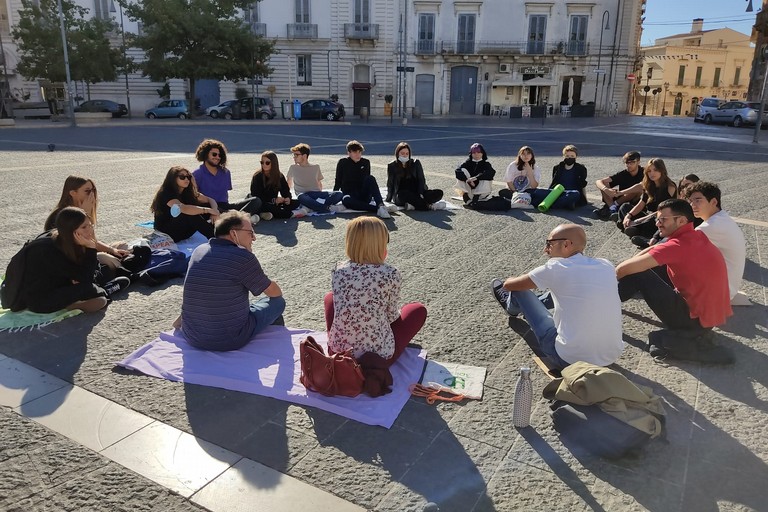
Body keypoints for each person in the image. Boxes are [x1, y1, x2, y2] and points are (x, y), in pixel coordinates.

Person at [491, 224, 623, 370]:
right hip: (608, 358)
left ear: (566, 244)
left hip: (567, 360)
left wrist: (511, 279)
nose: (545, 249)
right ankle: (532, 304)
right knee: (566, 290)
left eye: (549, 244)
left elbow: (509, 285)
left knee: (519, 291)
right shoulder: (606, 265)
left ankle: (512, 308)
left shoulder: (555, 268)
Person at [616, 199, 732, 341]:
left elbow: (622, 269)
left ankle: (601, 303)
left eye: (663, 219)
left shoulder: (676, 246)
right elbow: (654, 249)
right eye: (657, 219)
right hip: (707, 319)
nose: (658, 223)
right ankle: (611, 298)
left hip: (691, 322)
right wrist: (633, 262)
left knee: (639, 273)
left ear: (681, 221)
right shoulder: (696, 235)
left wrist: (614, 275)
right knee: (647, 265)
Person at [177, 211, 285, 351]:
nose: (254, 238)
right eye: (250, 233)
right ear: (234, 233)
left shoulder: (199, 251)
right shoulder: (242, 257)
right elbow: (274, 293)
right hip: (229, 340)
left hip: (192, 336)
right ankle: (277, 348)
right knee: (278, 303)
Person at [325, 217, 426, 366]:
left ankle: (341, 337)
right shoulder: (391, 273)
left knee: (330, 298)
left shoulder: (338, 269)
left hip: (338, 353)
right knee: (417, 310)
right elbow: (391, 316)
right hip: (376, 359)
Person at [20, 207, 129, 314]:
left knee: (105, 272)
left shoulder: (71, 241)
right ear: (71, 230)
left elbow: (88, 272)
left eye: (90, 225)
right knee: (91, 291)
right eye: (84, 227)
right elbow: (86, 280)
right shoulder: (50, 250)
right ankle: (106, 291)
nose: (90, 230)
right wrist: (91, 248)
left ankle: (95, 293)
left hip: (64, 285)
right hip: (41, 299)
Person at [45, 175, 131, 270]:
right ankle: (125, 269)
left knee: (122, 246)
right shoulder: (62, 216)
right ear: (73, 193)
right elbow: (86, 244)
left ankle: (124, 263)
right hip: (73, 259)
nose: (92, 194)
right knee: (105, 258)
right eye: (87, 191)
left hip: (87, 250)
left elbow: (93, 241)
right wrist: (84, 213)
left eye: (93, 190)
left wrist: (112, 250)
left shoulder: (82, 209)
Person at [685, 181, 748, 306]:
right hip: (728, 287)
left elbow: (672, 248)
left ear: (714, 202)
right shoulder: (722, 218)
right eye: (691, 201)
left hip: (720, 292)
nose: (692, 205)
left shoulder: (711, 226)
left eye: (698, 200)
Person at [191, 139, 261, 221]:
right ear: (205, 154)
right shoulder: (197, 174)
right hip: (209, 207)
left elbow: (225, 196)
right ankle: (241, 220)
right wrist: (213, 210)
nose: (217, 157)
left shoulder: (226, 172)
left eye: (219, 155)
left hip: (225, 207)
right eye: (214, 154)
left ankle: (235, 220)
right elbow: (194, 197)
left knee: (256, 201)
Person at [150, 166, 218, 242]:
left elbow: (210, 199)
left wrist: (214, 212)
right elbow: (183, 208)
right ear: (173, 179)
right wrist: (207, 210)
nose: (186, 179)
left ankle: (223, 232)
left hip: (184, 231)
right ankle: (214, 237)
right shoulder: (166, 193)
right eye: (182, 177)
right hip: (167, 233)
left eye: (188, 177)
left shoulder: (187, 192)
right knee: (189, 214)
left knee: (208, 207)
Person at [634, 173, 701, 249]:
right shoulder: (681, 203)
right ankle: (651, 241)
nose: (684, 189)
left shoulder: (700, 204)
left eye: (687, 185)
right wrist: (655, 236)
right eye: (682, 187)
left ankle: (650, 242)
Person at [617, 158, 677, 240]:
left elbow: (663, 211)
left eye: (655, 170)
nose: (652, 173)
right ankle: (631, 226)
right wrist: (628, 215)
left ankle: (631, 227)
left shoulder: (670, 187)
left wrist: (638, 220)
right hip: (648, 215)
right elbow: (641, 204)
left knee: (653, 220)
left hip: (660, 217)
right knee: (625, 207)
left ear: (662, 170)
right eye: (649, 171)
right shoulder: (648, 185)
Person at [333, 140, 391, 219]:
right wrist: (333, 197)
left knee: (370, 178)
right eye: (355, 152)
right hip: (350, 195)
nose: (358, 155)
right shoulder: (343, 162)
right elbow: (338, 180)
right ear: (349, 153)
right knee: (346, 200)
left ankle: (381, 205)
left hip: (363, 194)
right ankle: (376, 209)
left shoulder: (365, 162)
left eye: (359, 152)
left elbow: (368, 181)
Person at [385, 142, 444, 211]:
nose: (405, 155)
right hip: (402, 194)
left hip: (416, 192)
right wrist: (388, 199)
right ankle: (427, 206)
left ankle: (414, 205)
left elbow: (421, 179)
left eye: (407, 154)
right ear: (397, 153)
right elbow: (390, 183)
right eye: (402, 153)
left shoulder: (416, 163)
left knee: (439, 193)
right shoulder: (392, 165)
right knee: (403, 195)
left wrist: (421, 193)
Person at [287, 142, 343, 213]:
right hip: (304, 195)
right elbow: (289, 183)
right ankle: (325, 207)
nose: (294, 157)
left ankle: (315, 206)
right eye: (294, 155)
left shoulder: (316, 167)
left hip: (316, 194)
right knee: (301, 197)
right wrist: (287, 197)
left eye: (296, 155)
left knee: (339, 193)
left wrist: (321, 196)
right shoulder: (293, 168)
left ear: (304, 156)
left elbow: (319, 183)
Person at [530, 144, 587, 210]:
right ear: (563, 156)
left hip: (570, 192)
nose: (569, 158)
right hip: (556, 192)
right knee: (537, 191)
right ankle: (564, 204)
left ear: (576, 157)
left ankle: (550, 204)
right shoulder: (557, 167)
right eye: (567, 156)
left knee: (575, 194)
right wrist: (549, 192)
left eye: (572, 156)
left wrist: (585, 199)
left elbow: (583, 184)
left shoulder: (581, 168)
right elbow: (554, 182)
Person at [249, 151, 303, 220]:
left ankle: (263, 214)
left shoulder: (279, 176)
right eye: (262, 162)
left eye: (267, 163)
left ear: (273, 163)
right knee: (268, 206)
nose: (264, 165)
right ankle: (289, 214)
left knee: (295, 203)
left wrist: (287, 198)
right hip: (261, 202)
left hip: (274, 202)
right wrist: (273, 200)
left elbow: (285, 191)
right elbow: (256, 195)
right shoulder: (257, 176)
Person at [593, 151, 644, 219]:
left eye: (631, 162)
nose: (628, 165)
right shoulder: (623, 174)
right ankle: (613, 208)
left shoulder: (644, 172)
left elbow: (642, 187)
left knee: (638, 188)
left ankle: (613, 206)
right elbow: (598, 181)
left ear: (638, 162)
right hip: (620, 198)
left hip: (634, 201)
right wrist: (606, 189)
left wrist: (621, 192)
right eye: (626, 162)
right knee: (604, 184)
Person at [454, 142, 496, 207]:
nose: (476, 154)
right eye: (474, 153)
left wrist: (476, 178)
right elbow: (457, 171)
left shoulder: (486, 164)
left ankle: (475, 199)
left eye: (478, 152)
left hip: (482, 193)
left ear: (482, 153)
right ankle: (466, 197)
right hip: (469, 191)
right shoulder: (468, 163)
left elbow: (491, 172)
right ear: (471, 154)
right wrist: (467, 180)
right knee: (462, 170)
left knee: (487, 175)